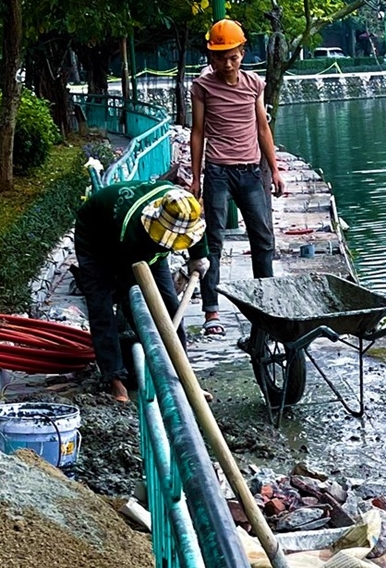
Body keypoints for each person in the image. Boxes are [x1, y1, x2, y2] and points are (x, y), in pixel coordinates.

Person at [74, 181, 210, 402]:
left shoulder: (184, 206)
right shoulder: (133, 229)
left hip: (148, 249)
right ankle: (115, 379)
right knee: (102, 307)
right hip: (98, 240)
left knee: (170, 309)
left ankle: (184, 378)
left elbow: (196, 230)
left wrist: (198, 256)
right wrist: (145, 326)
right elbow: (131, 287)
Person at [190, 19, 284, 337]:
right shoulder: (202, 88)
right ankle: (211, 312)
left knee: (263, 238)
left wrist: (276, 170)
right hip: (217, 172)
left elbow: (262, 128)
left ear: (243, 52)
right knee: (212, 241)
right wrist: (195, 178)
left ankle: (266, 303)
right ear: (210, 58)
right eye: (220, 57)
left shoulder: (254, 84)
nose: (227, 63)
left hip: (250, 172)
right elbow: (198, 133)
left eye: (233, 55)